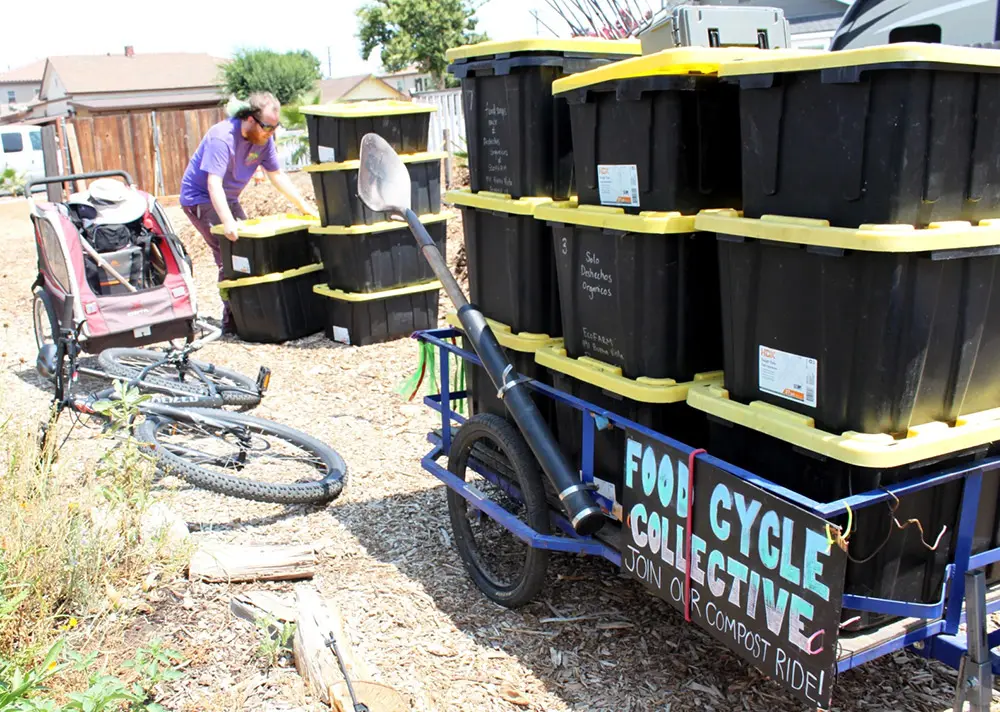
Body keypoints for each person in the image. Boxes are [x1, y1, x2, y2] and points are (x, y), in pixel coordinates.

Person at [179, 91, 318, 333]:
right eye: (267, 127)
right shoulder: (222, 138)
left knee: (247, 252)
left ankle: (251, 313)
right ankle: (232, 322)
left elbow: (276, 175)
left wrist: (306, 208)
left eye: (275, 128)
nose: (270, 133)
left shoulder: (264, 141)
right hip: (200, 198)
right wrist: (228, 223)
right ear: (250, 119)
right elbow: (213, 184)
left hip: (228, 197)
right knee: (230, 255)